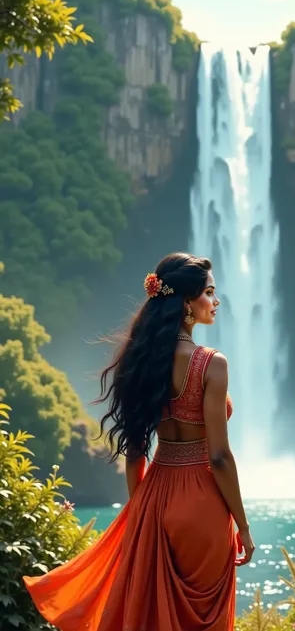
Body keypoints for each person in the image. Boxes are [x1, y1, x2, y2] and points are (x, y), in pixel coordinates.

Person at [23, 252, 255, 631]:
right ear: (186, 302)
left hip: (156, 498)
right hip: (203, 506)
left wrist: (142, 509)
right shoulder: (212, 364)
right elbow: (220, 458)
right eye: (210, 293)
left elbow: (134, 453)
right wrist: (243, 526)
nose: (216, 302)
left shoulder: (140, 360)